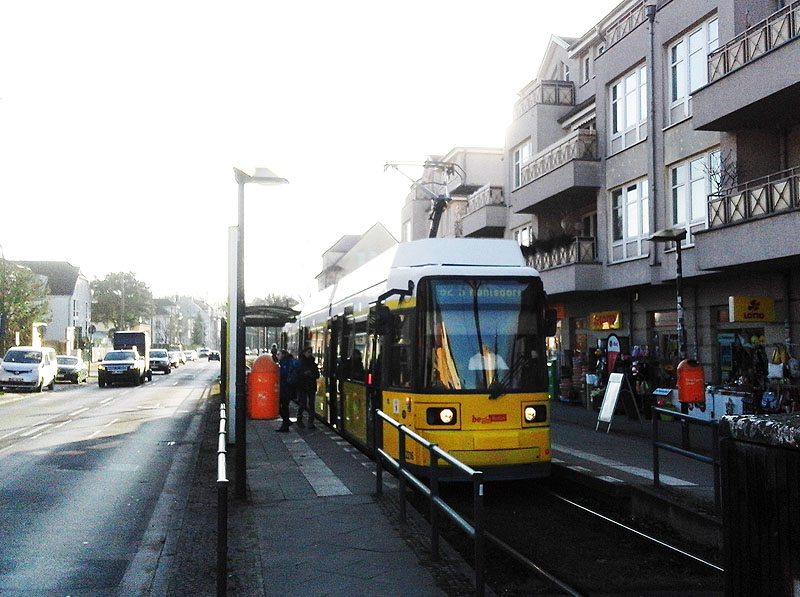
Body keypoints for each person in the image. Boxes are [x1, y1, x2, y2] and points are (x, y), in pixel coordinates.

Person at [296, 346, 320, 429]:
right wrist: (304, 374)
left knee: (311, 404)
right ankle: (299, 420)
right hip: (302, 386)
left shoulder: (313, 363)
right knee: (302, 404)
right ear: (304, 353)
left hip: (311, 386)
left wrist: (311, 374)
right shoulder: (300, 363)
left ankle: (310, 422)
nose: (309, 354)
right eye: (308, 352)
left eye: (310, 352)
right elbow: (297, 375)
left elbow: (317, 375)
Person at [276, 349, 299, 432]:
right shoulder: (289, 361)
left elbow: (283, 374)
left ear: (283, 355)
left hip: (285, 388)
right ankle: (286, 423)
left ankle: (286, 423)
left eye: (278, 354)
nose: (277, 356)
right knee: (284, 406)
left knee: (281, 406)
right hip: (289, 388)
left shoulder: (285, 362)